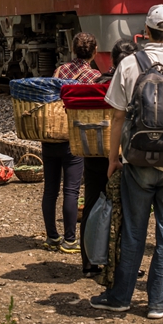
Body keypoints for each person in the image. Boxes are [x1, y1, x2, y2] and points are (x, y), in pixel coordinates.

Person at [91, 4, 163, 320]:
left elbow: (116, 117)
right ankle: (159, 303)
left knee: (133, 231)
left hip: (136, 161)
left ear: (144, 32)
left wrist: (113, 158)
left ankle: (119, 298)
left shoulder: (129, 64)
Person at [82, 38, 138, 277]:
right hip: (123, 155)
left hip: (94, 152)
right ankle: (123, 265)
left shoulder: (98, 81)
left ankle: (89, 262)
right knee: (128, 209)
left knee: (93, 202)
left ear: (113, 60)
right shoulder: (136, 84)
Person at [41, 33, 101, 254]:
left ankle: (51, 237)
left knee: (50, 190)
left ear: (73, 50)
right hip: (72, 139)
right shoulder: (93, 76)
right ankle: (69, 240)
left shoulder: (60, 70)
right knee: (71, 190)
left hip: (51, 136)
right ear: (94, 52)